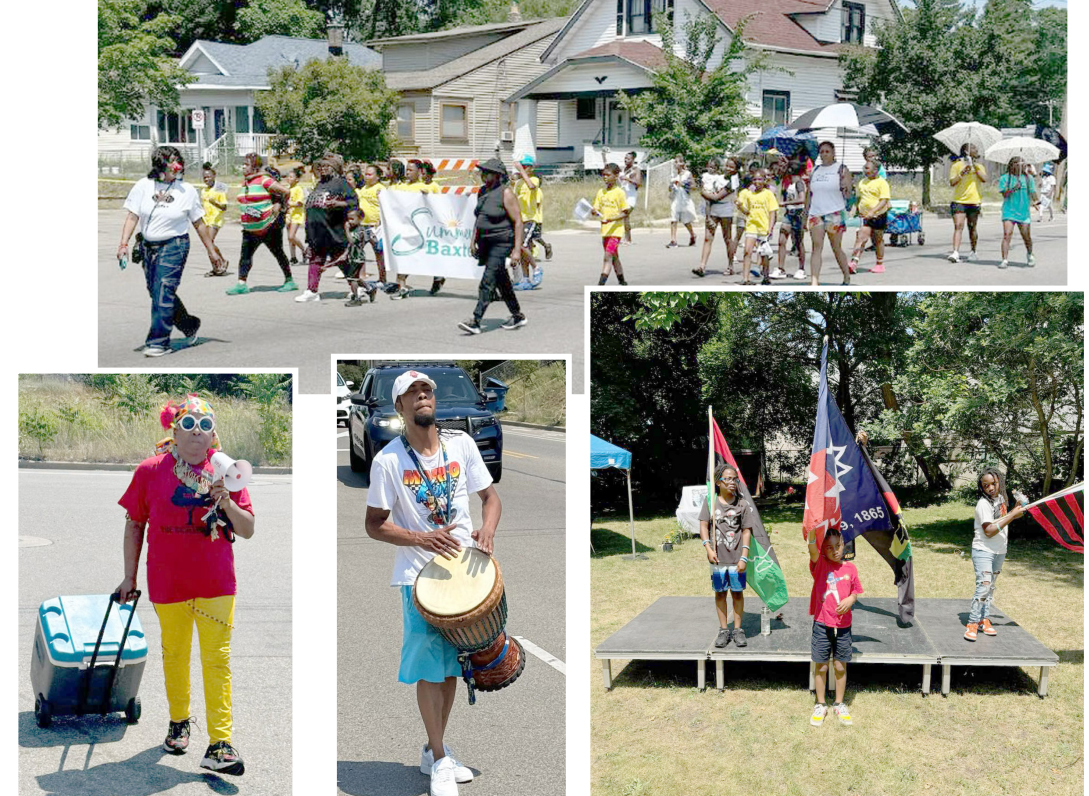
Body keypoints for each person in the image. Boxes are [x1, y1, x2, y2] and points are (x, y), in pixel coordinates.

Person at [365, 372, 501, 796]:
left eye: (427, 390)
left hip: (464, 571)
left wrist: (487, 531)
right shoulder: (388, 460)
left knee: (452, 670)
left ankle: (432, 748)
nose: (422, 396)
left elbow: (490, 499)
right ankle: (441, 759)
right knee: (429, 668)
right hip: (419, 578)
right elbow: (374, 525)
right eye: (412, 393)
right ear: (399, 406)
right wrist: (421, 538)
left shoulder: (459, 444)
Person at [115, 395, 255, 775]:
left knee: (217, 661)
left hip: (217, 584)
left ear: (214, 435)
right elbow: (134, 524)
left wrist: (226, 502)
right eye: (189, 425)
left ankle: (220, 744)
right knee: (175, 656)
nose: (197, 434)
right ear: (174, 431)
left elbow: (248, 529)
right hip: (167, 583)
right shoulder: (149, 470)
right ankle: (178, 721)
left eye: (205, 426)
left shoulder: (226, 472)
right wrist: (128, 576)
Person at [118, 146, 225, 357]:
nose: (178, 165)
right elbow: (132, 216)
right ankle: (189, 324)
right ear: (161, 164)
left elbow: (199, 223)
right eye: (173, 160)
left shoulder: (187, 190)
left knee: (163, 290)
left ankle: (158, 342)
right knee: (156, 291)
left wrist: (211, 251)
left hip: (175, 245)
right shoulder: (143, 186)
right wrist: (123, 244)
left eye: (179, 160)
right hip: (149, 246)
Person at [457, 158, 525, 334]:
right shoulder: (482, 191)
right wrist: (473, 240)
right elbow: (480, 218)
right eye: (482, 171)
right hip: (485, 242)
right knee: (502, 280)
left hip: (502, 242)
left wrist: (517, 250)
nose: (482, 175)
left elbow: (518, 222)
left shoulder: (506, 193)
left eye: (486, 172)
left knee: (487, 280)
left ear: (496, 175)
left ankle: (476, 320)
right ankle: (518, 315)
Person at [807, 526, 862, 727]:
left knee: (840, 665)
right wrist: (812, 533)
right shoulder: (820, 564)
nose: (835, 550)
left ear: (844, 544)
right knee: (821, 666)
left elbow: (855, 591)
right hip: (822, 624)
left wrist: (851, 600)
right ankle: (821, 705)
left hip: (844, 626)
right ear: (823, 550)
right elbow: (812, 549)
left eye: (838, 545)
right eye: (829, 547)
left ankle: (839, 703)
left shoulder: (851, 569)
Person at [965, 469, 1025, 641]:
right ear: (982, 488)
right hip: (983, 550)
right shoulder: (983, 504)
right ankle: (972, 623)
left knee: (990, 588)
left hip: (1000, 550)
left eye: (993, 483)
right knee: (983, 586)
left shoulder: (1000, 500)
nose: (990, 488)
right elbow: (989, 530)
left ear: (1000, 482)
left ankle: (985, 620)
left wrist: (1016, 508)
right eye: (986, 485)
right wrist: (1013, 515)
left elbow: (1004, 518)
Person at [699, 464, 755, 648]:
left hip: (736, 558)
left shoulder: (742, 504)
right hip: (717, 559)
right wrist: (708, 549)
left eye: (734, 479)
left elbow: (746, 530)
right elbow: (703, 526)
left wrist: (744, 556)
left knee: (737, 593)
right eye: (728, 479)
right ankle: (724, 630)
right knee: (720, 593)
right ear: (718, 482)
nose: (732, 482)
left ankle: (738, 630)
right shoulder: (710, 502)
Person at [225, 153, 295, 295]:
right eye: (243, 164)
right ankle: (241, 284)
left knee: (278, 253)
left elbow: (286, 191)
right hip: (250, 229)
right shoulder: (246, 182)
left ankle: (289, 281)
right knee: (245, 256)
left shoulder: (264, 180)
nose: (243, 167)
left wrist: (280, 205)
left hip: (268, 227)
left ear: (255, 167)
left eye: (247, 164)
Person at [295, 154, 359, 303]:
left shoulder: (341, 183)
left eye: (326, 166)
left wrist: (338, 204)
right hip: (316, 231)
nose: (322, 169)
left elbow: (353, 202)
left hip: (333, 230)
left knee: (341, 261)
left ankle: (358, 287)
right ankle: (311, 291)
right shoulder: (319, 184)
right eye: (321, 166)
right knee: (315, 258)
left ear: (335, 168)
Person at [804, 141, 852, 286]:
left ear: (833, 153)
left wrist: (845, 186)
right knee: (816, 246)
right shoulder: (816, 170)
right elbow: (809, 194)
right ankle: (814, 281)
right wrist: (805, 213)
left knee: (836, 247)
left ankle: (846, 275)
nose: (824, 154)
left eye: (827, 151)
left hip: (834, 212)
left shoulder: (841, 169)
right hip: (816, 212)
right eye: (822, 151)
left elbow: (849, 194)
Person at [693, 157, 738, 278]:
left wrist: (702, 192)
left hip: (725, 210)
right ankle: (702, 266)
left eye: (731, 167)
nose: (728, 168)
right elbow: (709, 192)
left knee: (727, 239)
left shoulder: (734, 181)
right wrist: (708, 214)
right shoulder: (718, 178)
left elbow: (717, 197)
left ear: (736, 169)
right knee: (708, 237)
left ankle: (730, 265)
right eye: (727, 165)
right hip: (713, 209)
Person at [736, 168, 779, 286]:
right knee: (747, 251)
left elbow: (772, 212)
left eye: (760, 179)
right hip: (752, 226)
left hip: (763, 227)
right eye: (754, 179)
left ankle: (766, 276)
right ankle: (745, 278)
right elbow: (746, 211)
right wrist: (740, 206)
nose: (757, 182)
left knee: (764, 253)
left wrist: (770, 228)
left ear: (765, 180)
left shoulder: (768, 194)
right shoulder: (749, 194)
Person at [590, 163, 631, 286]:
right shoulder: (601, 192)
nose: (605, 177)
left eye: (608, 175)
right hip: (605, 231)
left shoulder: (619, 192)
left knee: (607, 256)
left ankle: (601, 284)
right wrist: (594, 212)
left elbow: (625, 213)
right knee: (614, 257)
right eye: (604, 175)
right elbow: (597, 210)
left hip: (616, 232)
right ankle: (622, 280)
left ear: (616, 176)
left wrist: (611, 219)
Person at [848, 159, 891, 274]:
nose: (865, 170)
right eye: (864, 168)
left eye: (867, 168)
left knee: (878, 239)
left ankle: (879, 263)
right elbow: (859, 198)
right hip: (865, 216)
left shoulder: (882, 183)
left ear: (875, 170)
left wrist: (873, 211)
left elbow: (884, 200)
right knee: (861, 237)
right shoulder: (862, 182)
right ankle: (853, 262)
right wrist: (855, 209)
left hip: (879, 215)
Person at [947, 144, 987, 263]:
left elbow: (984, 179)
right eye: (973, 148)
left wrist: (973, 166)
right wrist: (963, 172)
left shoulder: (979, 166)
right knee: (958, 226)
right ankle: (955, 252)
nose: (976, 150)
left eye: (976, 148)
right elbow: (952, 182)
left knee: (972, 227)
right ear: (966, 151)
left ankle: (973, 250)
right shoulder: (957, 165)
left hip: (974, 200)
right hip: (959, 200)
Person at [997, 157, 1037, 270]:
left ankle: (1030, 254)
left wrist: (1036, 202)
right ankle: (1004, 260)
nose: (1021, 165)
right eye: (1018, 163)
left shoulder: (1028, 178)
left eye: (1023, 163)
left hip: (1023, 212)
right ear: (1012, 165)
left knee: (1026, 236)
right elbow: (1004, 194)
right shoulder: (1005, 178)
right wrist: (1013, 188)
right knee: (1007, 234)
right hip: (1009, 211)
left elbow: (1033, 192)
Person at [357, 164, 390, 288]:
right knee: (358, 252)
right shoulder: (363, 188)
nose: (367, 176)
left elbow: (386, 207)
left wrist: (381, 221)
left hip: (375, 226)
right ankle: (360, 279)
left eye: (370, 174)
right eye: (365, 174)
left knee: (379, 253)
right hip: (362, 225)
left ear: (377, 176)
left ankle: (382, 279)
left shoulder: (380, 189)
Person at [775, 159, 807, 280]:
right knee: (782, 240)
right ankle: (780, 268)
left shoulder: (799, 183)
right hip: (789, 213)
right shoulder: (788, 183)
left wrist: (785, 202)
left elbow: (802, 199)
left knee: (798, 242)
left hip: (798, 213)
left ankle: (801, 268)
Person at [342, 208, 381, 306]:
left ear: (360, 219)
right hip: (352, 256)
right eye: (348, 219)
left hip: (357, 257)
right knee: (354, 277)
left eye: (352, 219)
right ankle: (370, 289)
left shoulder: (360, 230)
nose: (349, 221)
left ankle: (356, 298)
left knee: (352, 278)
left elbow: (352, 241)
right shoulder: (354, 229)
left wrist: (346, 230)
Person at [200, 163, 229, 276]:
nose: (207, 179)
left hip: (216, 220)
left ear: (214, 176)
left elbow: (224, 207)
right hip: (206, 219)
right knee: (209, 244)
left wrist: (214, 203)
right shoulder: (204, 191)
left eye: (208, 176)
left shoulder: (219, 190)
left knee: (209, 243)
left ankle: (219, 265)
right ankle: (219, 264)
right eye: (204, 177)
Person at [667, 155, 697, 248]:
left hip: (685, 200)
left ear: (682, 163)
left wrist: (683, 184)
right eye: (675, 162)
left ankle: (693, 234)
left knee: (686, 221)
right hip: (675, 199)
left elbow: (694, 187)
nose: (676, 164)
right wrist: (671, 186)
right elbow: (669, 188)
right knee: (673, 219)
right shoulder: (673, 175)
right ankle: (673, 240)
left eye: (678, 162)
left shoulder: (687, 174)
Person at [285, 167, 307, 266]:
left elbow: (300, 203)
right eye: (288, 177)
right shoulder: (287, 189)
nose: (288, 178)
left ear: (296, 179)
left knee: (291, 236)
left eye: (291, 177)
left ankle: (304, 250)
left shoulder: (298, 189)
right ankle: (293, 257)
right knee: (290, 239)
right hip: (288, 215)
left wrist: (290, 204)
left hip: (297, 215)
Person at [620, 152, 643, 244]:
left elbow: (639, 183)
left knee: (624, 215)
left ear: (633, 160)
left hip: (631, 197)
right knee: (625, 218)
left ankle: (628, 238)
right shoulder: (623, 169)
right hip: (623, 196)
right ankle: (627, 238)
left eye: (628, 159)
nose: (626, 160)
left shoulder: (636, 170)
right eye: (625, 158)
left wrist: (627, 179)